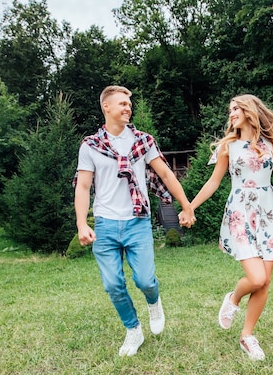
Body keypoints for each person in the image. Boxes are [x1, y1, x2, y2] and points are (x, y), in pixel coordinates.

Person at [74, 85, 195, 357]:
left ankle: (154, 302)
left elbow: (165, 174)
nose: (128, 107)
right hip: (105, 223)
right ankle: (133, 330)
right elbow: (83, 187)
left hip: (137, 222)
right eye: (122, 103)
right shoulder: (91, 146)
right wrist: (82, 223)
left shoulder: (143, 141)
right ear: (106, 107)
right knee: (113, 285)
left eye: (129, 104)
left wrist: (186, 205)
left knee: (145, 280)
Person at [189, 94, 273, 360]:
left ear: (250, 111)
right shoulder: (228, 147)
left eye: (236, 108)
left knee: (265, 282)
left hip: (269, 213)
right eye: (230, 110)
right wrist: (191, 206)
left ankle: (247, 336)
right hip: (240, 212)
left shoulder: (270, 145)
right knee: (256, 279)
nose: (231, 113)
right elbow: (213, 182)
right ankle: (233, 298)